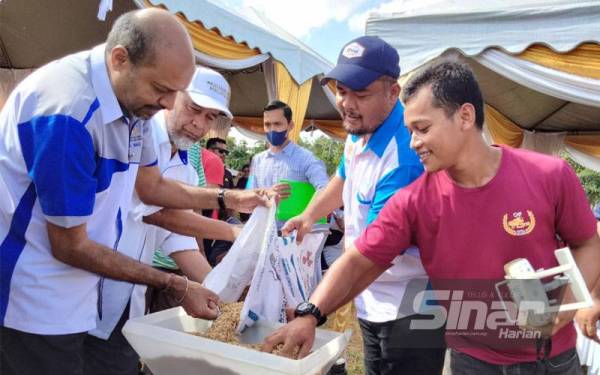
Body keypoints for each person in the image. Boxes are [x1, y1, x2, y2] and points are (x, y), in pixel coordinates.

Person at [264, 60, 600, 375]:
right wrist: (311, 313)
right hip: (472, 362)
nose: (413, 143)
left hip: (553, 361)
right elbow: (359, 261)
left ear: (465, 117)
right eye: (409, 130)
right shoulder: (414, 201)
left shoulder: (549, 175)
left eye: (422, 129)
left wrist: (565, 306)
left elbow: (588, 244)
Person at [0, 9, 269, 375]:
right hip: (32, 303)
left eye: (176, 93)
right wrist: (174, 283)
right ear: (119, 59)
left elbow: (152, 187)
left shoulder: (131, 106)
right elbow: (69, 245)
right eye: (162, 90)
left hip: (81, 296)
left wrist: (230, 199)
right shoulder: (67, 112)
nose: (169, 105)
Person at [278, 36, 443, 374]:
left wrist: (313, 311)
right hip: (372, 298)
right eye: (341, 90)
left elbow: (374, 255)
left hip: (411, 307)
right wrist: (310, 215)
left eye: (361, 94)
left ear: (393, 92)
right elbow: (343, 177)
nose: (347, 104)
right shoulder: (360, 127)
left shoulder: (405, 157)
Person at [83, 66, 241, 375]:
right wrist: (235, 232)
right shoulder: (135, 135)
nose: (198, 124)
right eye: (193, 109)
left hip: (128, 298)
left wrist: (219, 296)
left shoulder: (187, 168)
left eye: (210, 117)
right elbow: (157, 212)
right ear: (172, 96)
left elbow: (177, 240)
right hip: (84, 286)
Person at [247, 100, 329, 228]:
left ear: (290, 125)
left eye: (277, 124)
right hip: (262, 232)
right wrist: (266, 194)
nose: (272, 129)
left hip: (295, 237)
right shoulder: (257, 160)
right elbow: (248, 196)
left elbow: (325, 190)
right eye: (267, 124)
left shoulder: (307, 159)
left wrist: (307, 217)